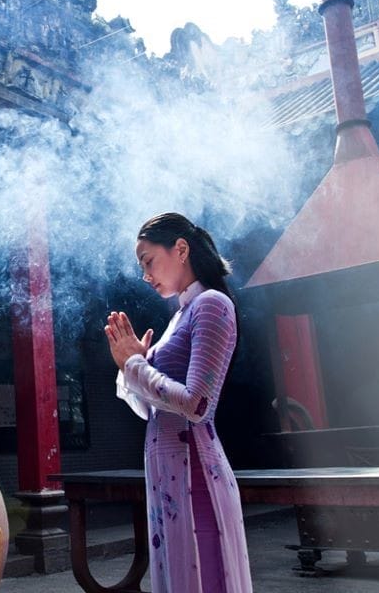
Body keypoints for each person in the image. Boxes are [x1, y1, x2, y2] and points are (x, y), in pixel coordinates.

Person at [104, 212, 252, 593]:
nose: (145, 274)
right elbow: (149, 410)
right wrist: (131, 367)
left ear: (181, 249)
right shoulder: (178, 317)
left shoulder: (211, 304)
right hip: (167, 473)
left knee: (203, 576)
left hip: (195, 476)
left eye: (148, 261)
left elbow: (197, 405)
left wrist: (135, 364)